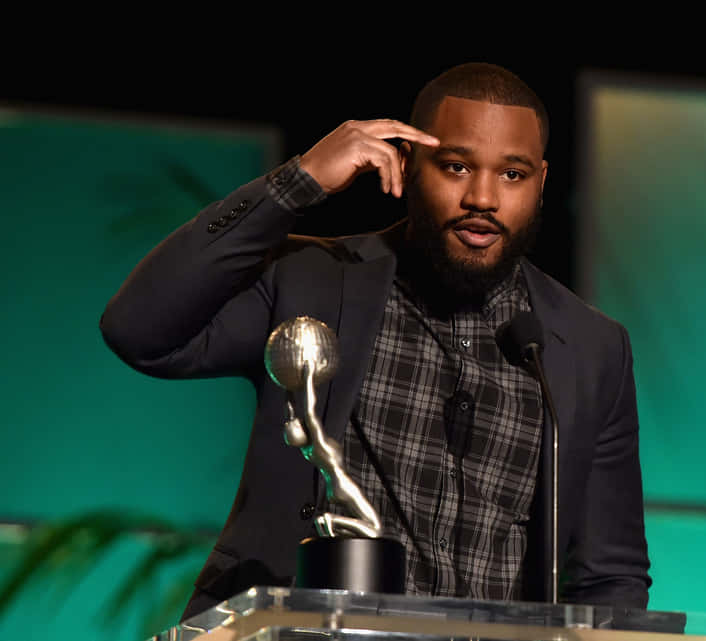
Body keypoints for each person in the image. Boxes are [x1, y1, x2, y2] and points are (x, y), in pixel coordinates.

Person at [100, 62, 651, 621]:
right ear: (408, 166)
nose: (482, 198)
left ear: (541, 181)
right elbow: (140, 331)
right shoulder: (312, 280)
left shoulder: (590, 347)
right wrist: (301, 179)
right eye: (457, 166)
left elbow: (610, 575)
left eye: (512, 174)